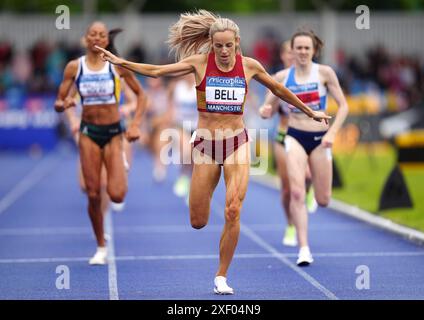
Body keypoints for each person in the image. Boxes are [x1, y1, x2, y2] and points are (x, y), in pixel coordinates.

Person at [95, 10, 329, 294]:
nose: (223, 51)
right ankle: (208, 236)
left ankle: (221, 276)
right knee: (198, 221)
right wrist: (122, 62)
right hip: (205, 147)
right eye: (218, 46)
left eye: (228, 45)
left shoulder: (250, 66)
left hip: (237, 144)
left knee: (233, 210)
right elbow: (157, 71)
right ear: (211, 43)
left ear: (237, 43)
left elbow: (279, 89)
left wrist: (309, 111)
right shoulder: (199, 63)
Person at [54, 21, 146, 265]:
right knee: (93, 193)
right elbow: (59, 101)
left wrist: (135, 124)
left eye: (102, 35)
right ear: (86, 39)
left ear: (106, 41)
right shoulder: (75, 67)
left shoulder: (116, 66)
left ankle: (121, 163)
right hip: (88, 133)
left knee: (116, 195)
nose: (97, 38)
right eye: (92, 34)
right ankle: (100, 246)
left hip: (114, 131)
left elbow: (142, 95)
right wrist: (65, 105)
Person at [259, 30, 349, 266]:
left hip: (321, 140)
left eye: (306, 48)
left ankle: (314, 195)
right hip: (294, 136)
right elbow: (266, 105)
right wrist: (265, 110)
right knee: (296, 193)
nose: (301, 52)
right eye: (297, 48)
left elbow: (344, 107)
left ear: (313, 50)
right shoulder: (282, 76)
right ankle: (304, 249)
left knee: (324, 200)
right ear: (292, 51)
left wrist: (332, 134)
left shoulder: (325, 73)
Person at [260, 40, 317, 248]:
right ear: (283, 56)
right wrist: (266, 111)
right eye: (288, 53)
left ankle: (308, 190)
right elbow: (268, 108)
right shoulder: (278, 79)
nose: (293, 56)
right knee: (286, 190)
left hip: (307, 134)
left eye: (296, 52)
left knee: (308, 176)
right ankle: (290, 224)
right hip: (284, 135)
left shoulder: (311, 76)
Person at [169, 73, 198, 202]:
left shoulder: (200, 88)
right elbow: (171, 104)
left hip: (197, 127)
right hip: (181, 125)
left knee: (194, 159)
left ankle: (192, 186)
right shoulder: (177, 87)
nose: (189, 76)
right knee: (186, 152)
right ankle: (183, 177)